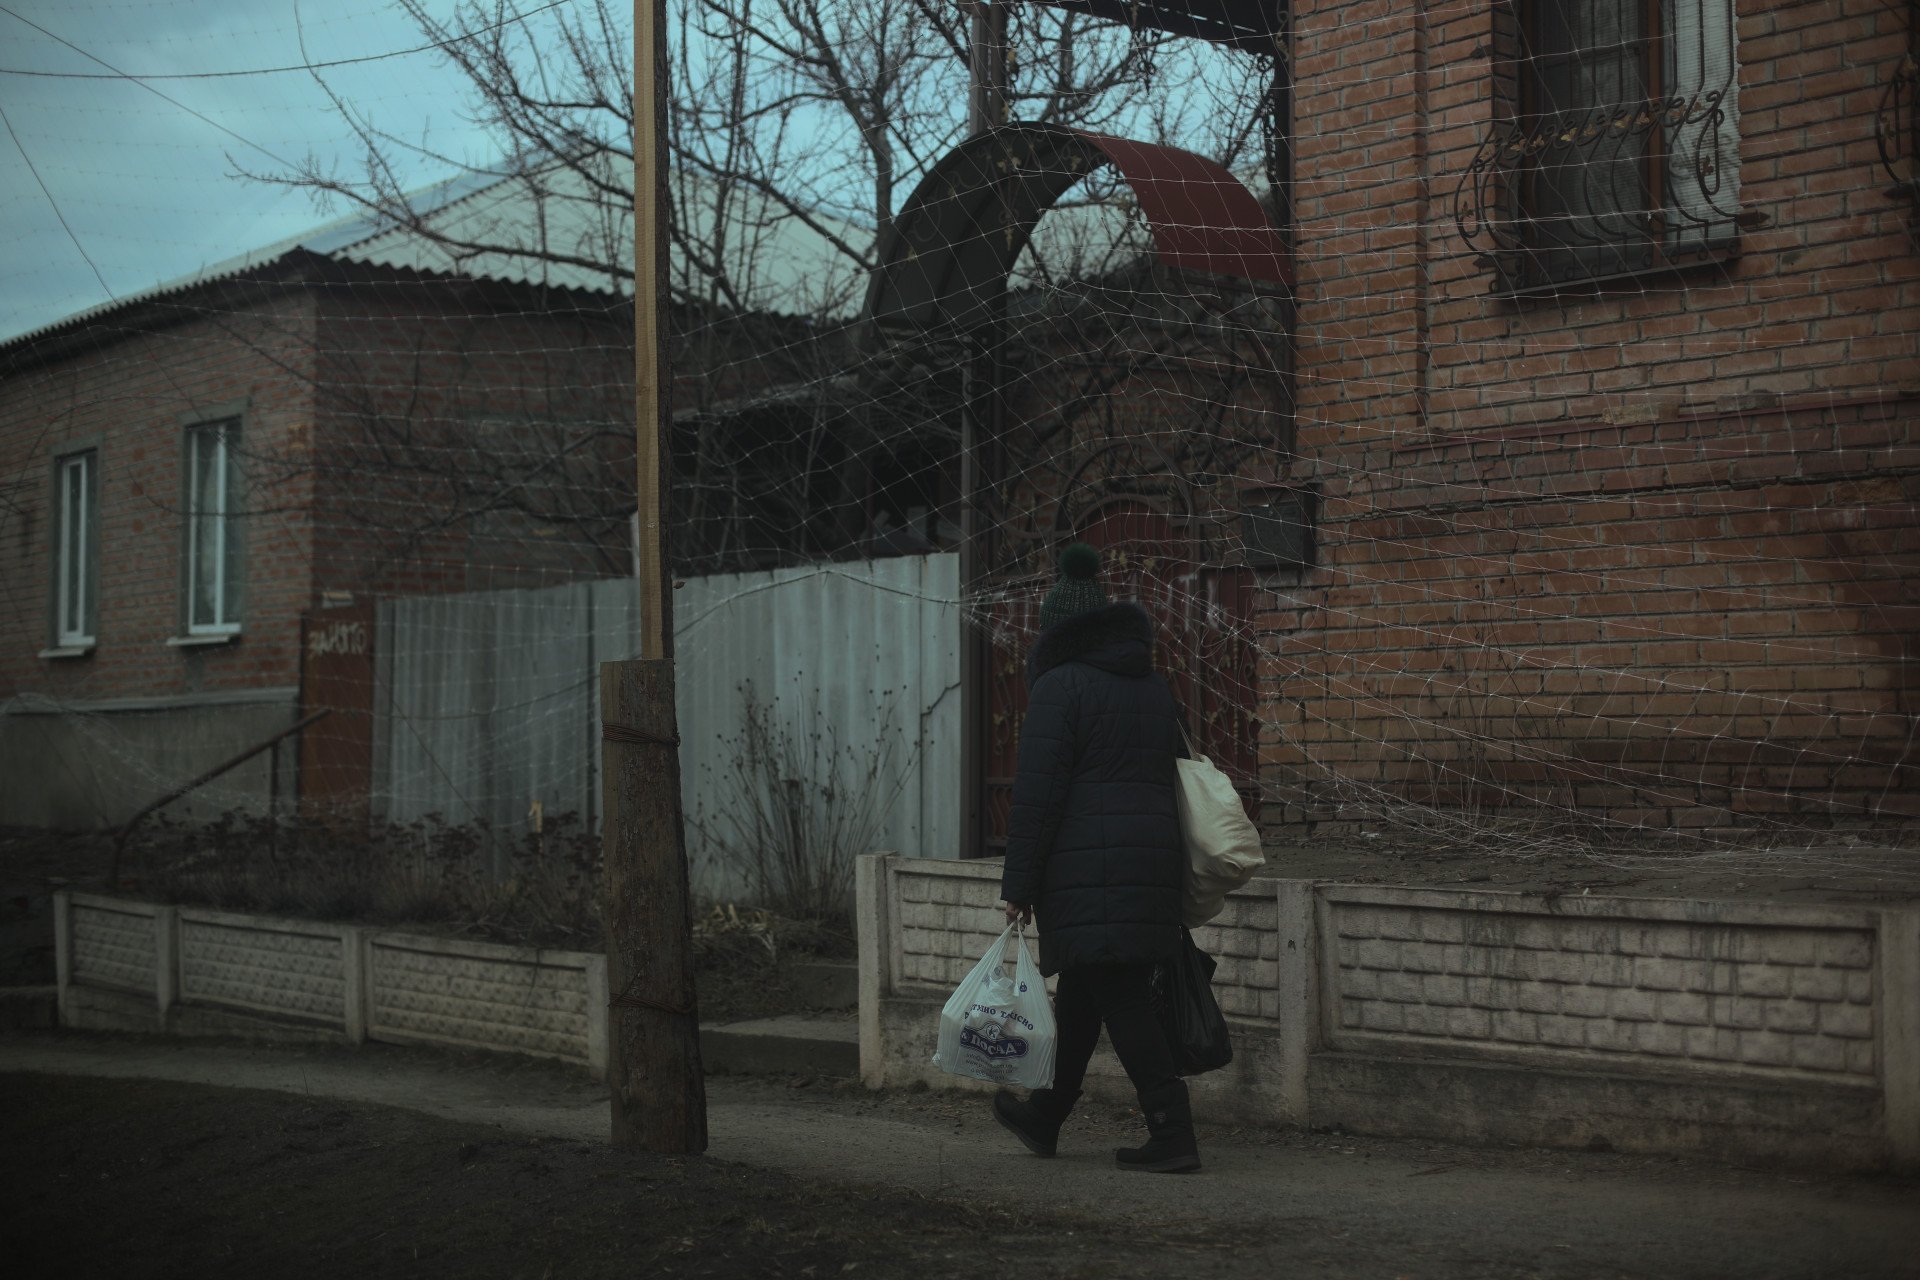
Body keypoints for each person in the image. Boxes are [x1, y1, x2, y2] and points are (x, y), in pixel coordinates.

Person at [993, 541, 1199, 1173]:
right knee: (1086, 989)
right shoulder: (1153, 686)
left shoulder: (1060, 688)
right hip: (1147, 863)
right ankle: (1047, 1114)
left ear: (1058, 632)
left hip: (1089, 870)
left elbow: (1038, 796)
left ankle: (1172, 1133)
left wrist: (1019, 882)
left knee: (1121, 996)